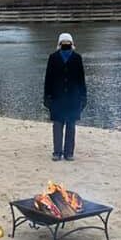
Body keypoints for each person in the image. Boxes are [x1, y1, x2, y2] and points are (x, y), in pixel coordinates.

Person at [43, 33, 87, 161]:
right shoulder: (53, 57)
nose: (66, 44)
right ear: (60, 43)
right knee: (57, 125)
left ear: (71, 43)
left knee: (71, 126)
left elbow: (81, 79)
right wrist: (47, 96)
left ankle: (69, 153)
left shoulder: (77, 58)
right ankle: (57, 152)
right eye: (64, 42)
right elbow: (48, 78)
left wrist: (83, 97)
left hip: (73, 98)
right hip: (57, 98)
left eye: (67, 42)